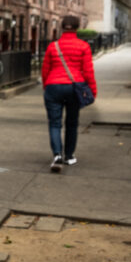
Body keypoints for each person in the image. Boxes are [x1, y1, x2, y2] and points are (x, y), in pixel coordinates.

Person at [40, 15, 97, 173]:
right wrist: (92, 90)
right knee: (72, 123)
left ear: (62, 27)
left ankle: (57, 155)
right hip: (74, 87)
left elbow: (45, 70)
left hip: (53, 86)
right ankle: (69, 156)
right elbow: (88, 72)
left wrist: (47, 86)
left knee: (54, 123)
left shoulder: (53, 46)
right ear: (78, 28)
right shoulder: (83, 46)